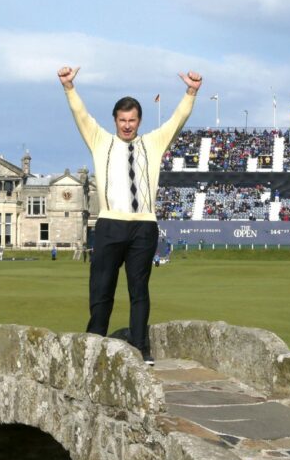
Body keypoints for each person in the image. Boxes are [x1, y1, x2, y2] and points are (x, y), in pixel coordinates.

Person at [59, 64, 201, 364]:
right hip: (110, 224)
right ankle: (93, 344)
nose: (127, 125)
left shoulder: (153, 142)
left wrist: (190, 92)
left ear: (139, 121)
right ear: (115, 121)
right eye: (122, 120)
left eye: (132, 120)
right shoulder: (100, 140)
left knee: (139, 290)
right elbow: (81, 116)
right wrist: (69, 87)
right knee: (101, 289)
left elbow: (178, 120)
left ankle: (140, 348)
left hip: (143, 226)